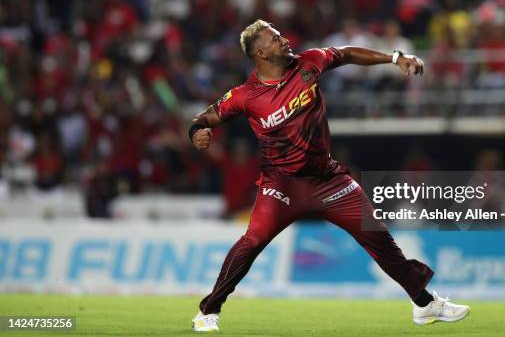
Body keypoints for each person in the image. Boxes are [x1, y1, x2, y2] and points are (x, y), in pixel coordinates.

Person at [188, 20, 470, 332]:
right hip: (282, 185)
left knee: (378, 236)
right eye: (275, 38)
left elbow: (346, 54)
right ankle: (208, 311)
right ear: (261, 53)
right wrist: (198, 132)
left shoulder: (308, 63)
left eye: (280, 34)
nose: (284, 40)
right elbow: (203, 118)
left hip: (328, 180)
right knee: (252, 242)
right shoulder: (245, 96)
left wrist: (393, 58)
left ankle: (424, 303)